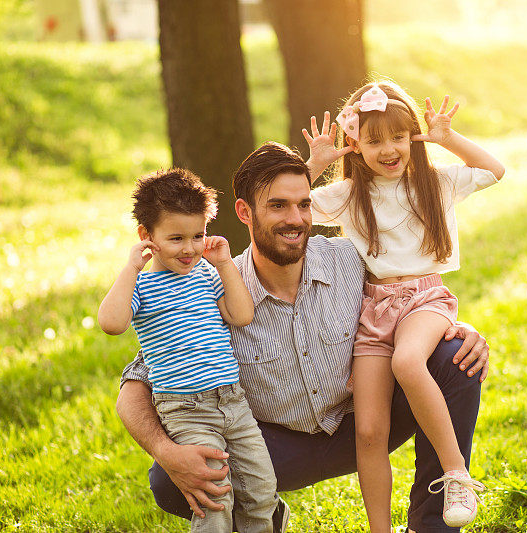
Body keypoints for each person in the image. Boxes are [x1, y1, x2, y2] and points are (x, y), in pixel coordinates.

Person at [116, 143, 491, 533]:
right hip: (273, 449)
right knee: (167, 478)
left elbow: (408, 294)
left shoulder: (351, 260)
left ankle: (432, 526)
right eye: (278, 206)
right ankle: (260, 510)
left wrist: (456, 327)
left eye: (304, 204)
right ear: (245, 212)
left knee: (454, 359)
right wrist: (166, 450)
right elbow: (133, 387)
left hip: (364, 424)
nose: (295, 219)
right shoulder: (215, 288)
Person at [302, 80, 505, 531]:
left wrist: (448, 139)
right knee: (369, 431)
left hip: (424, 299)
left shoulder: (434, 183)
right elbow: (287, 204)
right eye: (374, 141)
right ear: (354, 144)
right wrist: (312, 166)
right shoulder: (349, 196)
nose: (389, 149)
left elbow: (494, 170)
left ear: (413, 135)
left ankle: (456, 475)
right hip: (373, 309)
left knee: (409, 362)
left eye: (398, 136)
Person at [98, 169, 278, 532]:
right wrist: (131, 267)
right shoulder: (143, 285)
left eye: (198, 235)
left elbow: (241, 314)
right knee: (214, 496)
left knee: (262, 491)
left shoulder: (207, 275)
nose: (190, 248)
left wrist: (225, 264)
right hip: (186, 409)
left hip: (233, 402)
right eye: (177, 238)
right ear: (147, 237)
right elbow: (111, 323)